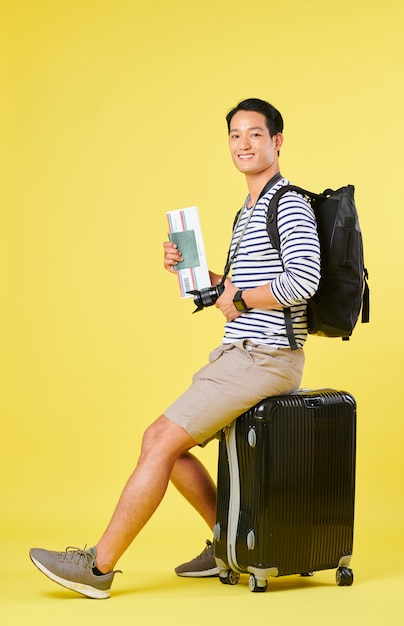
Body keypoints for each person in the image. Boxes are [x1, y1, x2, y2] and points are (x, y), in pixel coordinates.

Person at [29, 98, 321, 599]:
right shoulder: (248, 211)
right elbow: (236, 295)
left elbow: (304, 280)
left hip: (265, 357)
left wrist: (237, 295)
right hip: (240, 352)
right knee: (171, 452)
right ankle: (229, 543)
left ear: (277, 141)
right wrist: (198, 275)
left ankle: (97, 569)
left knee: (157, 439)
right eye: (234, 135)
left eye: (255, 134)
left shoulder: (288, 203)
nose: (243, 144)